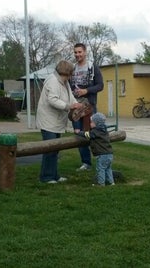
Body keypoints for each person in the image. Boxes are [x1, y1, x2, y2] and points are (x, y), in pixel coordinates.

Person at [36, 60, 83, 184]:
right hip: (48, 121)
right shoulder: (53, 81)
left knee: (55, 149)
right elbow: (53, 100)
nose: (71, 76)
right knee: (50, 149)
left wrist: (76, 104)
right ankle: (46, 177)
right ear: (66, 72)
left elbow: (70, 96)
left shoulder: (64, 82)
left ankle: (54, 175)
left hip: (55, 121)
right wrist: (69, 107)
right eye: (70, 73)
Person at [70, 43, 104, 171]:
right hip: (75, 107)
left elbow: (100, 86)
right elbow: (69, 86)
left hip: (89, 107)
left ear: (85, 52)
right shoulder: (72, 69)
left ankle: (101, 160)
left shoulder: (92, 67)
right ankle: (86, 163)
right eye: (75, 52)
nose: (77, 55)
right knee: (79, 134)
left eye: (79, 52)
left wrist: (86, 91)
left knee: (91, 134)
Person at [76, 112, 114, 186]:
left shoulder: (95, 132)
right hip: (109, 153)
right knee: (108, 169)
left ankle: (101, 183)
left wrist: (79, 132)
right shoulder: (104, 131)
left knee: (101, 169)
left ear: (96, 123)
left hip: (102, 154)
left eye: (92, 122)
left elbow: (88, 135)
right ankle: (111, 182)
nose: (90, 124)